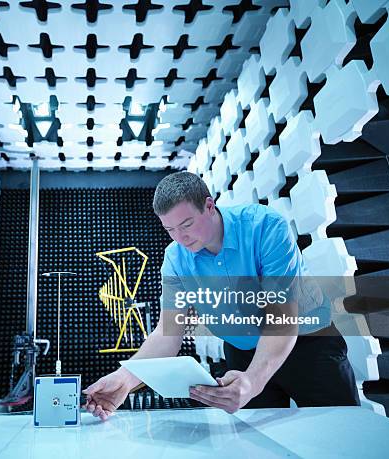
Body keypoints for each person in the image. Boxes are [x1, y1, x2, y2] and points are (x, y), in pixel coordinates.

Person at [83, 171, 359, 420]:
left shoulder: (265, 227)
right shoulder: (175, 259)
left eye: (187, 224)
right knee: (255, 445)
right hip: (240, 354)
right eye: (169, 230)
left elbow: (282, 317)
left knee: (341, 432)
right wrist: (126, 378)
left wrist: (253, 381)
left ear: (209, 205)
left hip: (308, 345)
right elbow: (168, 333)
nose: (180, 237)